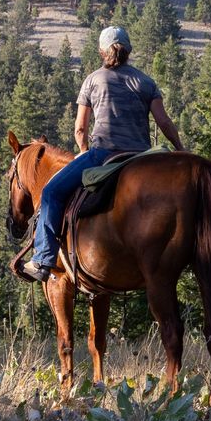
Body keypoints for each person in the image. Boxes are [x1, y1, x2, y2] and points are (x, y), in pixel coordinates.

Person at [22, 25, 184, 282]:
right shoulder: (145, 82)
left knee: (51, 192)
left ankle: (43, 259)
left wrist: (85, 153)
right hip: (142, 155)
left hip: (103, 154)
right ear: (129, 51)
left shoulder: (93, 80)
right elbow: (163, 122)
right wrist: (180, 149)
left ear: (101, 52)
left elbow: (79, 129)